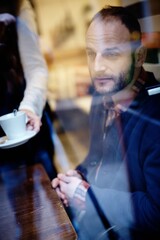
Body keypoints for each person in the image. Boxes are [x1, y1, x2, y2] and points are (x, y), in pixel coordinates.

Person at [51, 6, 160, 240]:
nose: (97, 66)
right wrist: (75, 177)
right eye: (91, 53)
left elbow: (156, 212)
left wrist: (85, 196)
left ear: (139, 56)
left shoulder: (155, 117)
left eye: (111, 54)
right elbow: (97, 158)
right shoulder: (102, 100)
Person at [0, 0, 57, 179]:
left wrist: (28, 107)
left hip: (26, 117)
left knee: (47, 191)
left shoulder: (18, 6)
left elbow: (36, 68)